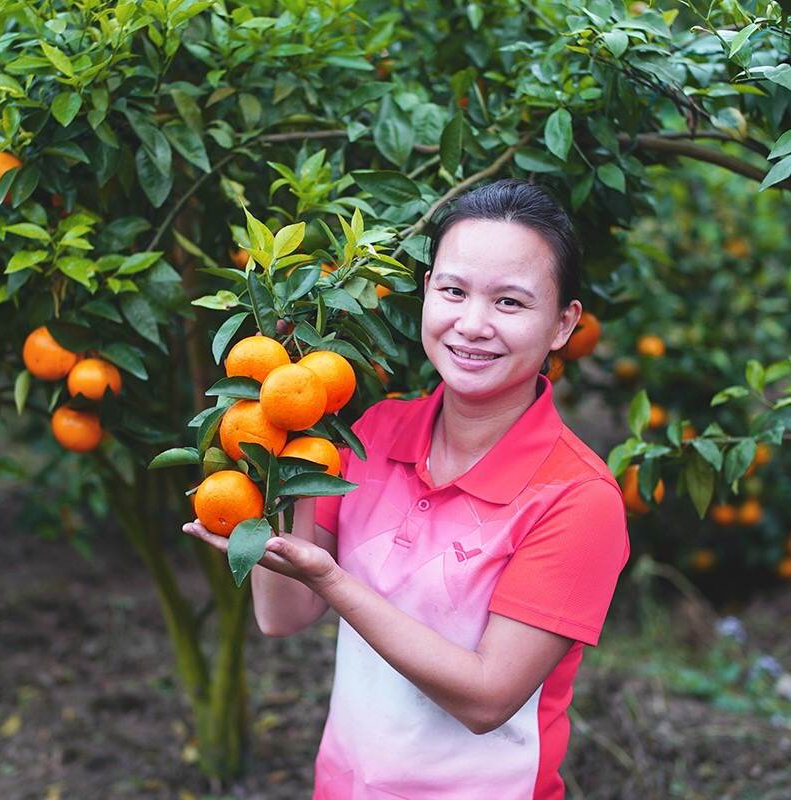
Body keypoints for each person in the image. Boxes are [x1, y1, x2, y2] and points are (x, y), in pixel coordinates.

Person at [183, 179, 630, 799]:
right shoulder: (375, 432)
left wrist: (331, 579)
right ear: (426, 294)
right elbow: (281, 616)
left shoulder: (577, 499)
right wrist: (276, 464)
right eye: (453, 291)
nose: (472, 324)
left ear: (563, 325)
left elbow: (487, 697)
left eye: (510, 303)